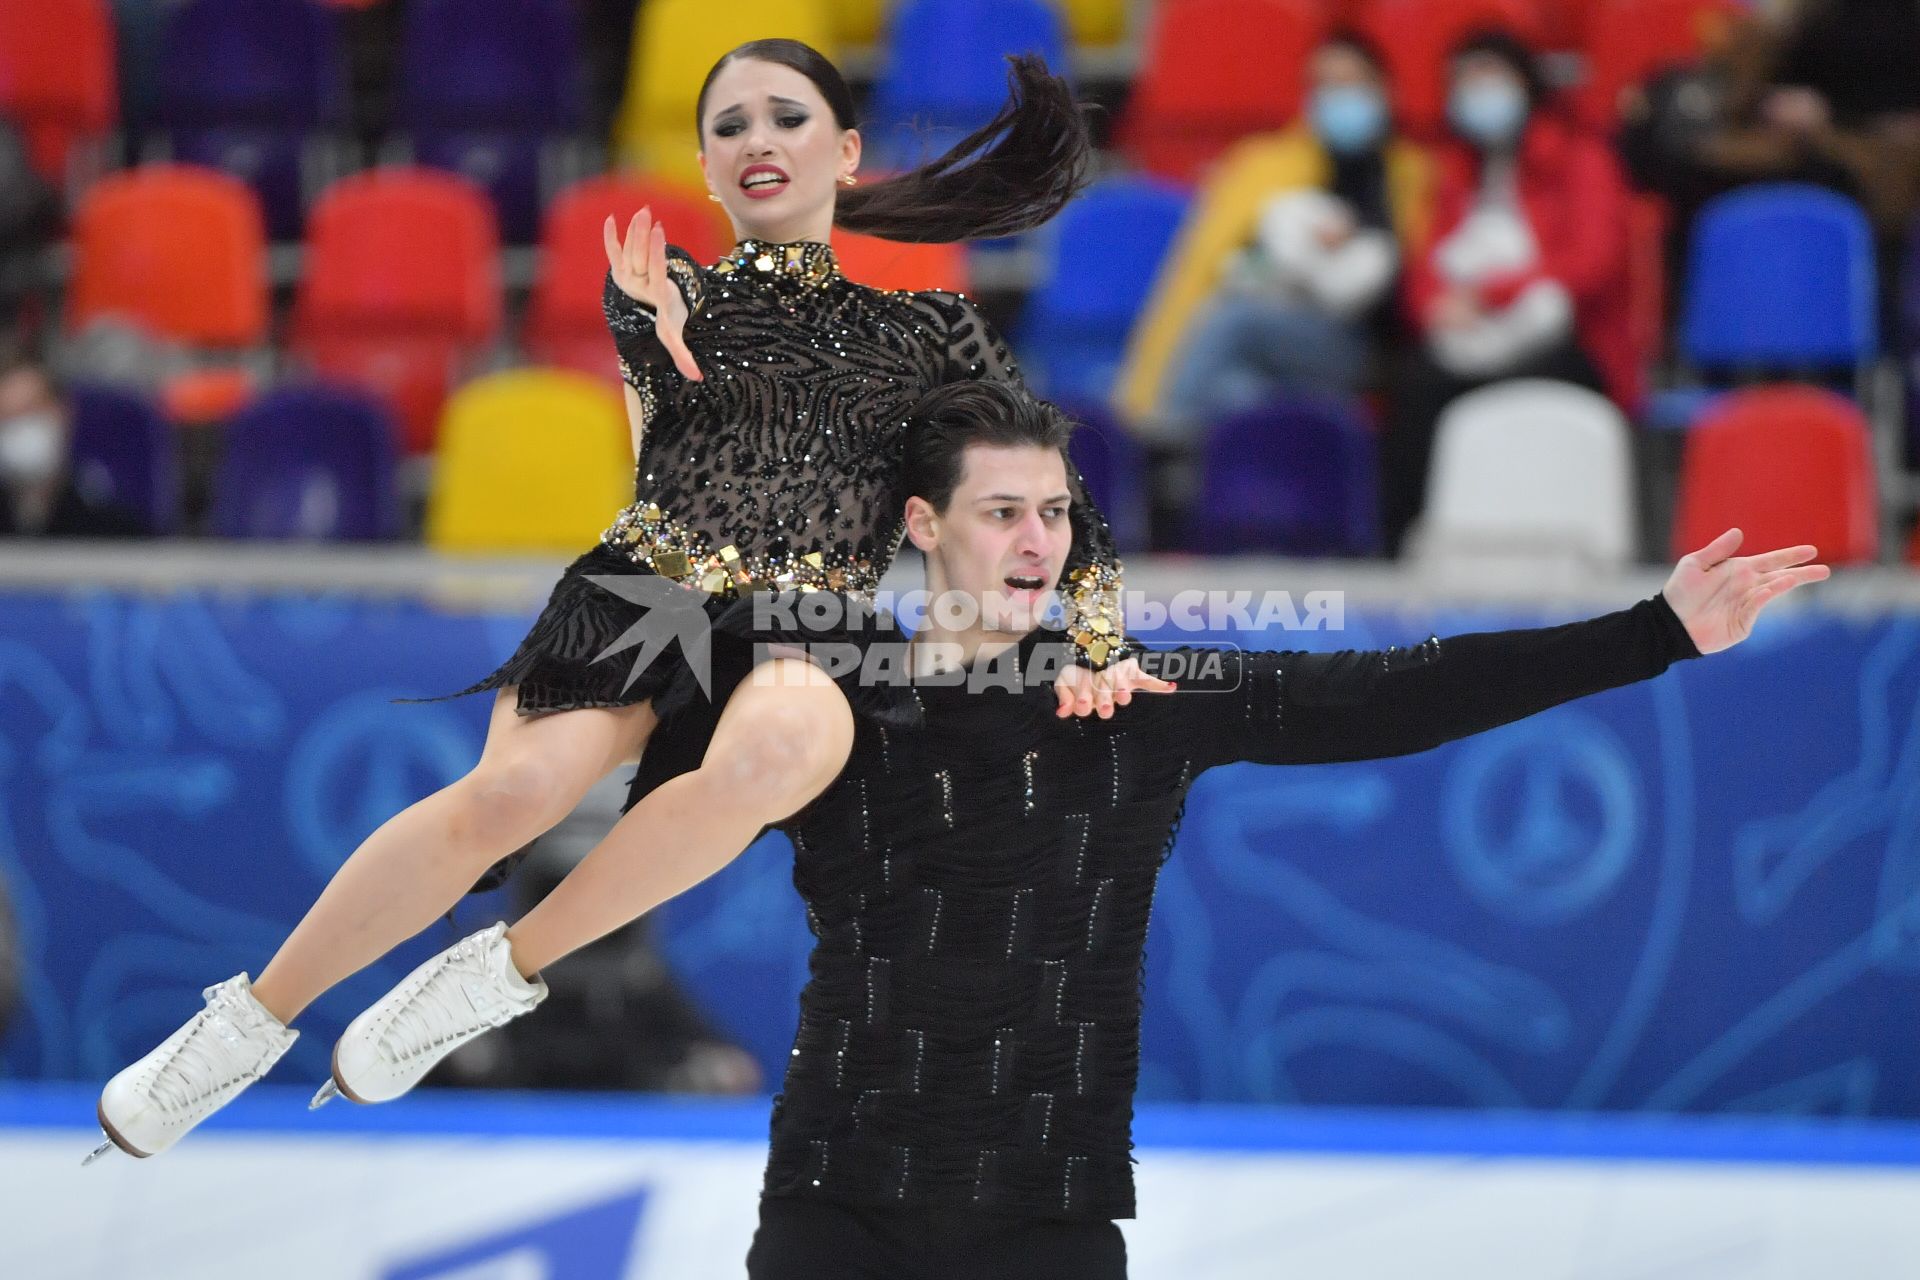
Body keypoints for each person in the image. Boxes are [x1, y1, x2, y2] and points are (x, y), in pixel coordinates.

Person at [84, 40, 1164, 1165]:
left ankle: (499, 970)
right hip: (649, 587)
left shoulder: (931, 333)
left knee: (770, 751)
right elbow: (673, 455)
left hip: (813, 620)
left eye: (787, 118)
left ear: (845, 151)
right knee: (511, 793)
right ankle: (244, 1024)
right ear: (702, 165)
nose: (757, 141)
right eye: (730, 125)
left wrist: (1091, 639)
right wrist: (656, 340)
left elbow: (1048, 488)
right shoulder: (663, 292)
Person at [635, 380, 1821, 1277]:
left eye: (1054, 510)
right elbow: (663, 739)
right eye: (1002, 511)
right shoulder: (824, 704)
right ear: (923, 523)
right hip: (836, 1205)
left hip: (1051, 1218)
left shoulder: (1142, 699)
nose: (1038, 540)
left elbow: (1393, 689)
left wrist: (1650, 631)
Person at [1381, 29, 1633, 557]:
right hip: (1469, 339)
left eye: (1488, 78)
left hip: (1569, 341)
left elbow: (1593, 263)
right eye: (1464, 83)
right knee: (1414, 385)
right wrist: (1438, 308)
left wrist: (1492, 293)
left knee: (1544, 377)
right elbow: (1425, 269)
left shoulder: (1582, 157)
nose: (1477, 94)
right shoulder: (1454, 171)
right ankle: (1401, 551)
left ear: (1525, 84)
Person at [1116, 30, 1431, 435]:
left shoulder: (1411, 175)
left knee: (1237, 317)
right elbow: (1209, 269)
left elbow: (1402, 282)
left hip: (1362, 347)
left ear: (1383, 89)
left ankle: (1159, 437)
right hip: (1278, 334)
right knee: (1236, 392)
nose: (1340, 98)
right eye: (1326, 86)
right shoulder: (1271, 168)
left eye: (1351, 83)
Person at [0, 355, 147, 539]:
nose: (20, 428)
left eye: (30, 411)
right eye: (8, 417)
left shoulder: (106, 520)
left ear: (64, 414)